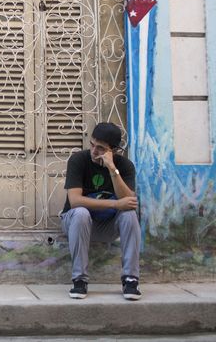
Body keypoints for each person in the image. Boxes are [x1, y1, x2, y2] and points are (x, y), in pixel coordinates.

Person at [60, 122, 142, 300]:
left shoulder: (125, 166)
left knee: (129, 214)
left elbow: (129, 201)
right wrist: (115, 205)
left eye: (101, 148)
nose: (94, 151)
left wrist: (113, 169)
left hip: (107, 227)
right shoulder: (78, 160)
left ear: (113, 151)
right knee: (81, 212)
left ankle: (130, 279)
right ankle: (79, 280)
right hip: (76, 223)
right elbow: (74, 201)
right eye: (92, 145)